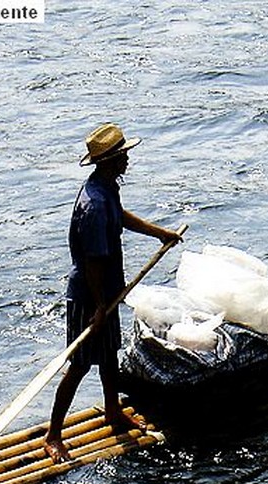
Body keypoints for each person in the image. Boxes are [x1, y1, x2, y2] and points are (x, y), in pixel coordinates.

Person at [44, 123, 182, 463]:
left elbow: (120, 218)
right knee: (79, 365)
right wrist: (101, 305)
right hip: (89, 297)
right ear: (109, 161)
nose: (127, 161)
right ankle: (53, 435)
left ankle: (112, 410)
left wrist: (158, 233)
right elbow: (93, 261)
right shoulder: (93, 205)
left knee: (108, 357)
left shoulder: (107, 190)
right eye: (123, 156)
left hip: (105, 291)